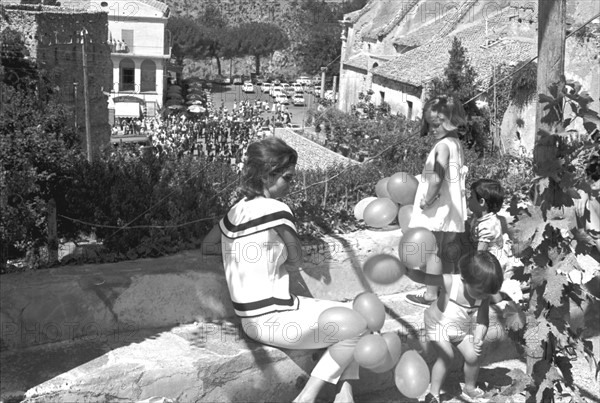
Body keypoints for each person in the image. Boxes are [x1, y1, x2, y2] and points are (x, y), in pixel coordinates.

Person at [202, 137, 364, 403]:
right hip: (273, 318)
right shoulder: (278, 210)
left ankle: (345, 396)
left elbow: (208, 246)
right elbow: (296, 258)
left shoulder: (236, 211)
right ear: (267, 176)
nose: (293, 184)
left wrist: (242, 254)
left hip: (256, 318)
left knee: (353, 315)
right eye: (288, 178)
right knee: (358, 323)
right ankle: (307, 398)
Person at [405, 251, 504, 403]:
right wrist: (407, 271)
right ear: (464, 279)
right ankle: (433, 394)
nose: (484, 297)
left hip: (460, 329)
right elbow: (425, 277)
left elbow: (483, 320)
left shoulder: (482, 296)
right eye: (480, 292)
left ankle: (469, 388)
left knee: (473, 356)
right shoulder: (451, 282)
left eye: (486, 294)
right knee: (446, 356)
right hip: (437, 325)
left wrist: (479, 336)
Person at [405, 95, 469, 306]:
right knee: (444, 249)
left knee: (432, 250)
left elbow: (438, 175)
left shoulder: (442, 146)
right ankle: (446, 290)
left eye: (436, 125)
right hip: (450, 205)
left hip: (437, 204)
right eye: (430, 125)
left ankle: (430, 294)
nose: (432, 129)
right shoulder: (455, 143)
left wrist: (428, 199)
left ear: (449, 122)